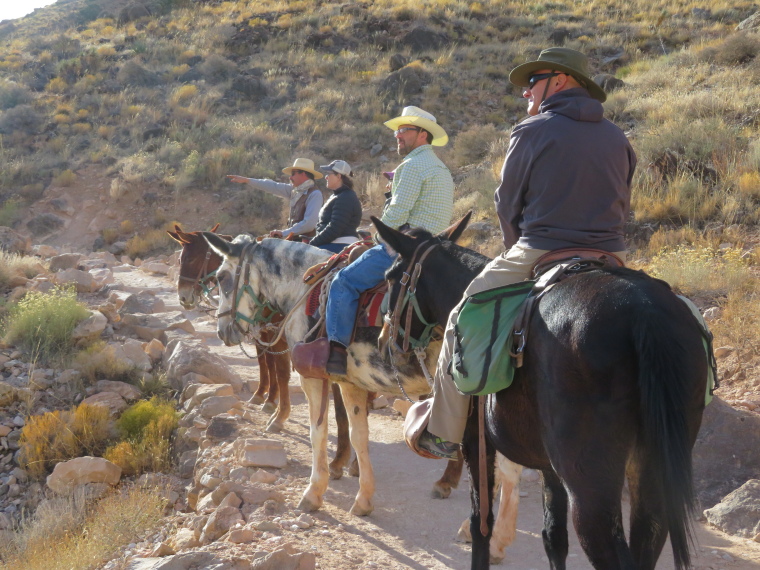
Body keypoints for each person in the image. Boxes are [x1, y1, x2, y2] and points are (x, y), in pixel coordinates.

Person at [418, 47, 638, 460]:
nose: (525, 92)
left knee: (462, 315)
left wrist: (515, 246)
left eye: (532, 81)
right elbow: (623, 199)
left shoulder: (533, 129)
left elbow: (507, 202)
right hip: (612, 255)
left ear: (560, 80)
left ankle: (442, 432)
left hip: (541, 247)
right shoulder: (617, 136)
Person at [325, 106, 455, 374]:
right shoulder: (440, 168)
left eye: (404, 130)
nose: (397, 135)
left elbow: (396, 214)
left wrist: (374, 238)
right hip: (437, 250)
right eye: (397, 130)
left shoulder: (411, 165)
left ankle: (336, 352)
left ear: (422, 134)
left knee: (343, 281)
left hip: (404, 249)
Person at [227, 158, 324, 238]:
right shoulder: (295, 190)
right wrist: (247, 180)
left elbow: (309, 225)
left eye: (293, 174)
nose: (290, 177)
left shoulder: (315, 194)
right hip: (294, 240)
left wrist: (284, 233)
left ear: (303, 174)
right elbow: (272, 186)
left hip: (306, 243)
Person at [308, 160, 363, 254]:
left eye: (329, 174)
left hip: (340, 245)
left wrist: (312, 244)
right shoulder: (340, 196)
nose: (326, 177)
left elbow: (334, 229)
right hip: (333, 244)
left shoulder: (346, 197)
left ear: (339, 176)